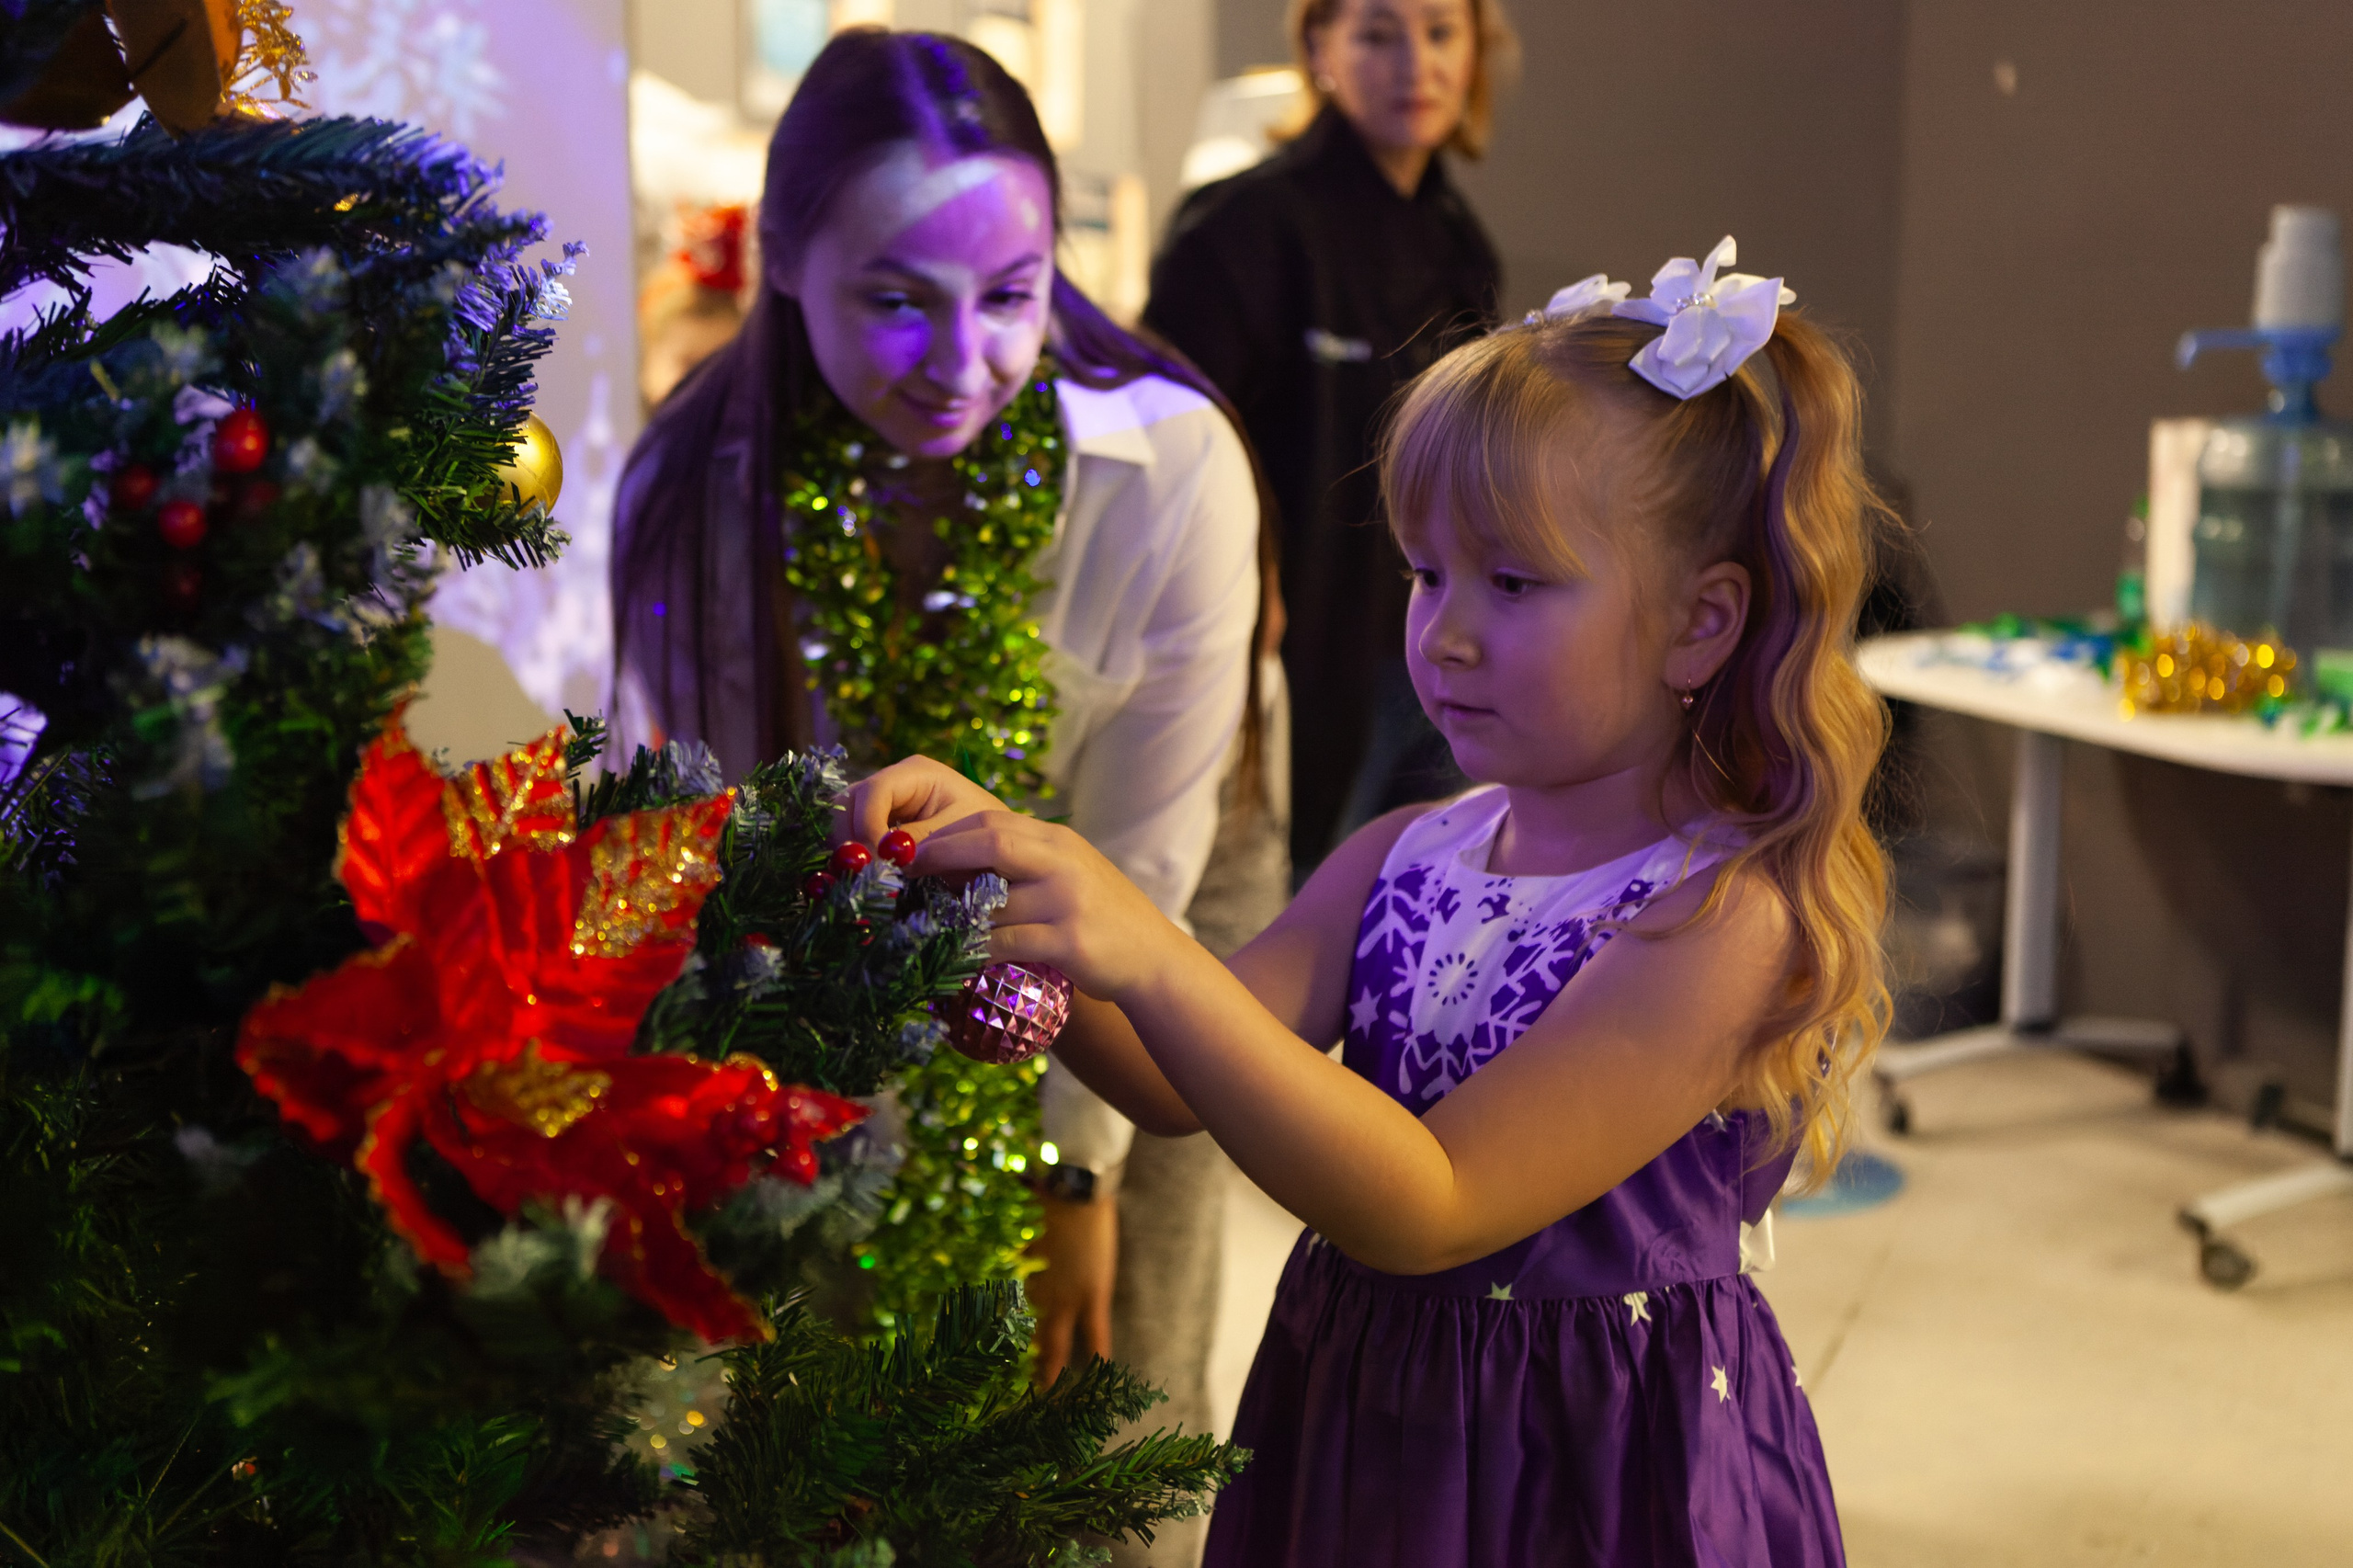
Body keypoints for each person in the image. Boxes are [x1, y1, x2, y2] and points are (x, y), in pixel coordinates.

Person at [847, 241, 1889, 1565]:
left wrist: (1148, 953)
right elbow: (1183, 1080)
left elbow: (1431, 1200)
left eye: (1512, 583)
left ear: (1701, 622)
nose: (1444, 633)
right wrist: (1009, 916)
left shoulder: (1722, 916)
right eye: (1424, 571)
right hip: (1370, 1421)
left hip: (1584, 1457)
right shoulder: (1407, 853)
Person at [609, 35, 1282, 1556]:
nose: (963, 359)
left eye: (1011, 293)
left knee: (1104, 1383)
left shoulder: (1171, 476)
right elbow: (734, 865)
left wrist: (1072, 1172)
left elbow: (1145, 882)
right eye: (897, 298)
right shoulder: (691, 498)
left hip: (1148, 890)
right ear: (783, 260)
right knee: (831, 1365)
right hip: (851, 906)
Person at [1143, 0, 1514, 874]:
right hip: (1296, 652)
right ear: (1319, 50)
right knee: (1298, 893)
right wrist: (1248, 574)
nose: (1414, 64)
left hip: (1436, 643)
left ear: (1473, 57)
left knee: (1412, 892)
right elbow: (1168, 447)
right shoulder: (1240, 229)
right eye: (1377, 34)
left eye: (1439, 34)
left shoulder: (1463, 248)